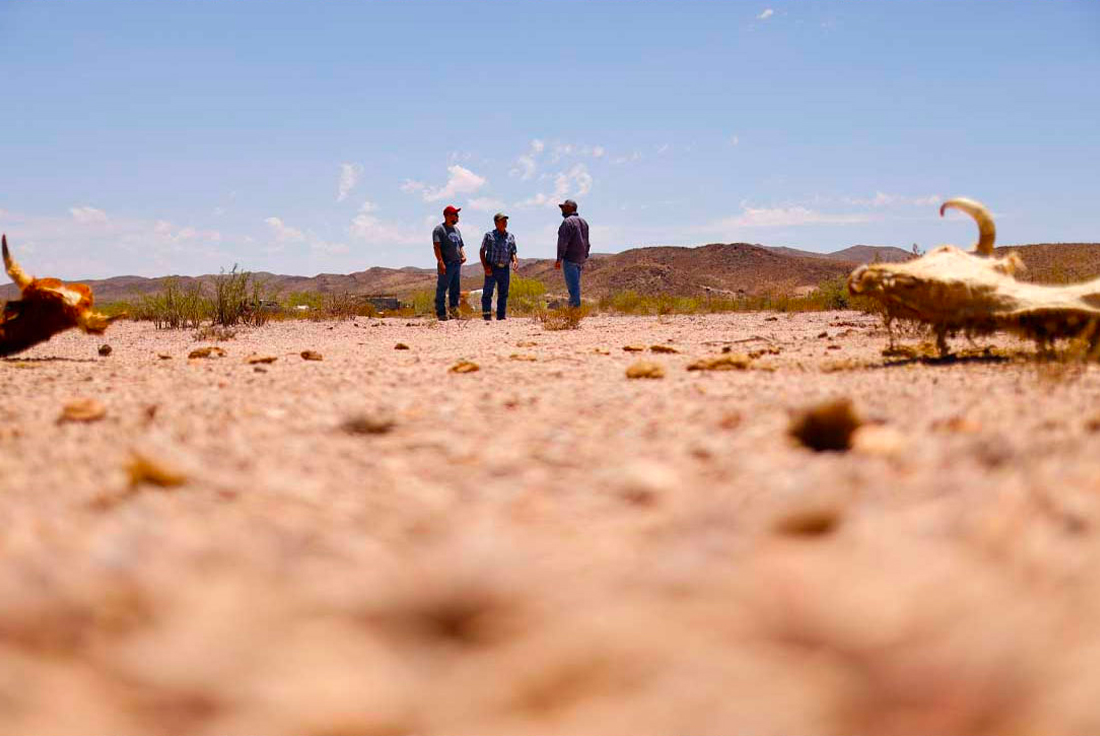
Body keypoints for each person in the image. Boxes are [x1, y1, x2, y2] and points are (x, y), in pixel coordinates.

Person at [479, 212, 519, 321]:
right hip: (492, 267)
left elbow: (513, 252)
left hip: (505, 268)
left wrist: (514, 261)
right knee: (488, 292)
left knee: (503, 293)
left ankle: (501, 316)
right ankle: (487, 316)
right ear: (496, 223)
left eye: (506, 220)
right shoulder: (489, 236)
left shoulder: (510, 237)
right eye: (502, 220)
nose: (505, 223)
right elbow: (482, 251)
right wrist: (485, 267)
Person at [432, 205, 467, 320]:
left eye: (457, 215)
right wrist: (441, 262)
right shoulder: (439, 229)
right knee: (442, 289)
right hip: (446, 263)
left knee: (455, 290)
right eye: (455, 214)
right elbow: (436, 247)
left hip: (457, 264)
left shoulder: (456, 230)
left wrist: (463, 255)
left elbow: (460, 245)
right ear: (447, 216)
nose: (457, 217)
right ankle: (441, 314)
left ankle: (454, 312)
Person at [555, 199, 590, 308]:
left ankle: (574, 313)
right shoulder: (584, 222)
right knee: (575, 286)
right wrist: (585, 255)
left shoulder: (567, 222)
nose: (562, 210)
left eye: (564, 207)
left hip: (570, 259)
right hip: (580, 259)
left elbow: (563, 242)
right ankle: (574, 312)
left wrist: (559, 259)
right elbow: (587, 242)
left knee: (573, 288)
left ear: (570, 208)